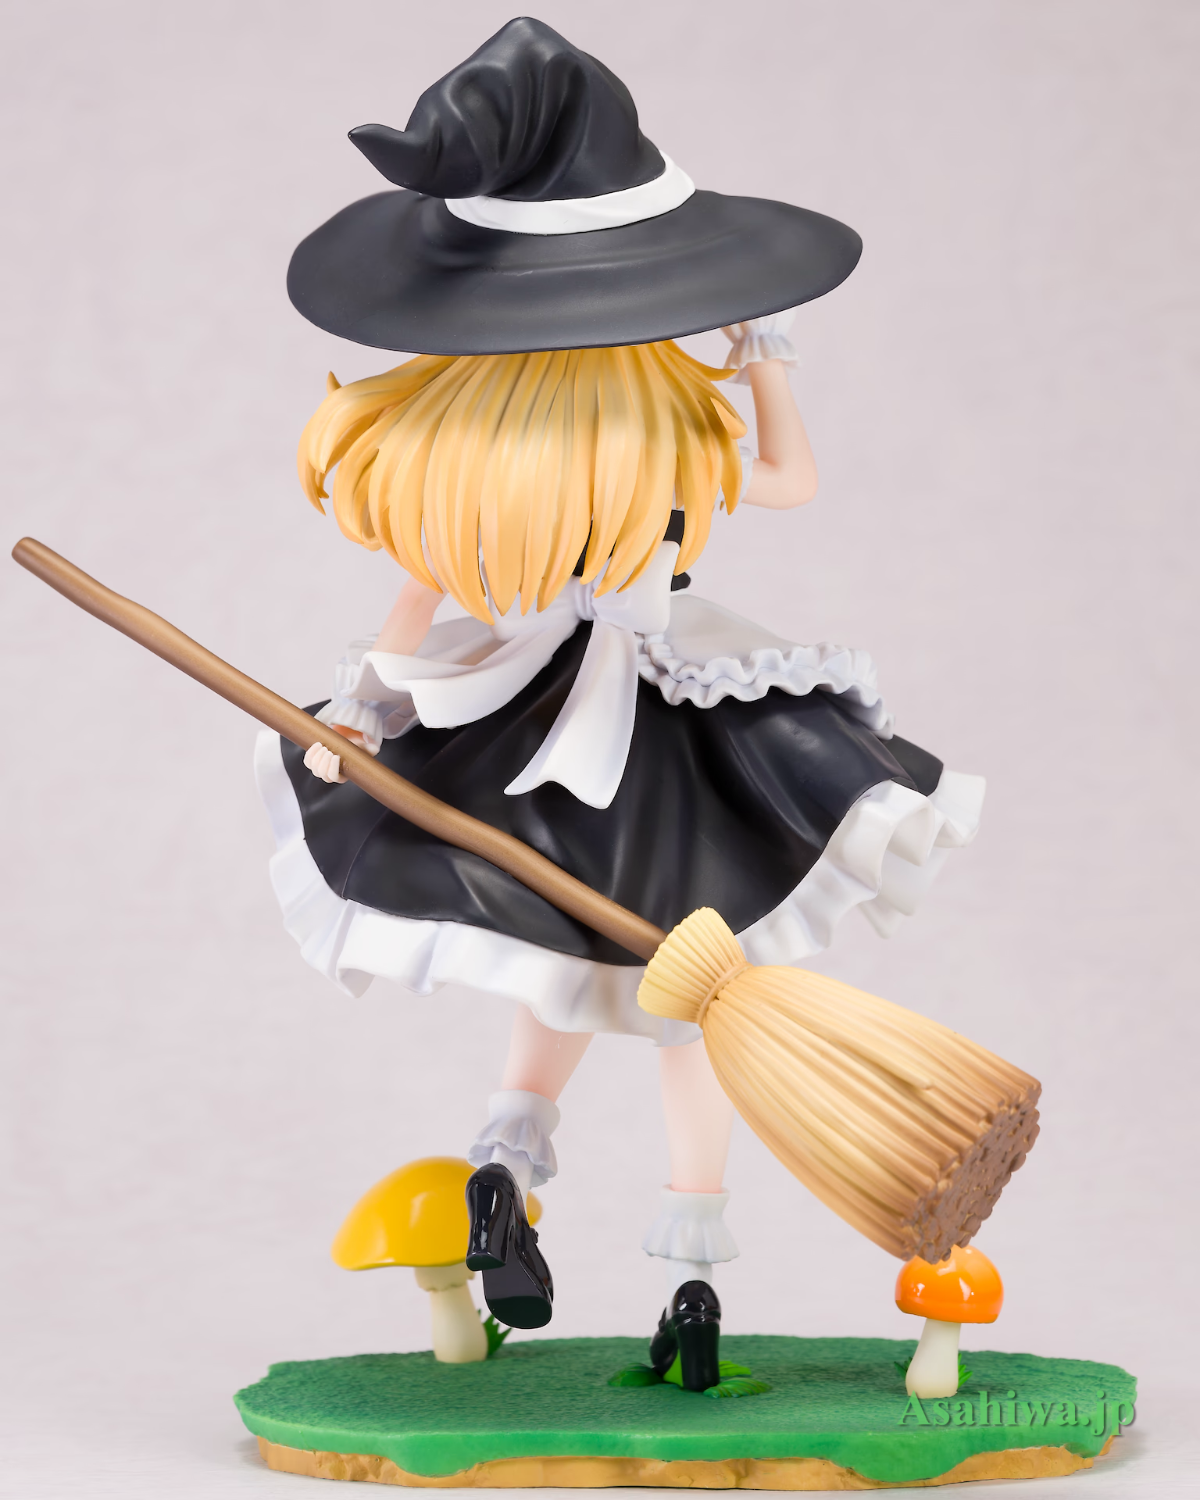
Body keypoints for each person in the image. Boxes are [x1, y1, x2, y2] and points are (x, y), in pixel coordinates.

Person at [255, 17, 982, 1387]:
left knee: (559, 966)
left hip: (528, 722)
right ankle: (691, 1282)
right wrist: (765, 358)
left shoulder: (472, 451)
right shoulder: (663, 432)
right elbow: (792, 483)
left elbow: (415, 598)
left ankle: (502, 1170)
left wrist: (359, 715)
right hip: (682, 735)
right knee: (696, 1008)